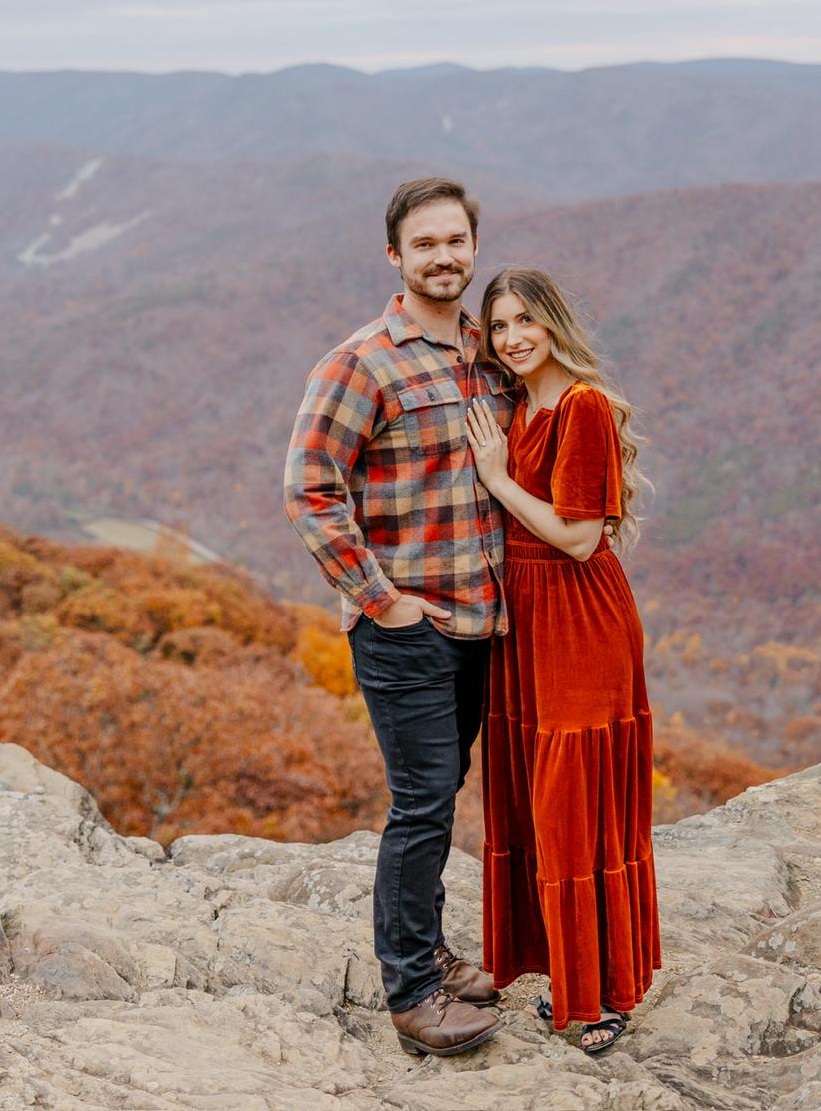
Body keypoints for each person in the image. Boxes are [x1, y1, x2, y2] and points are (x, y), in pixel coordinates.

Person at [282, 177, 511, 1057]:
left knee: (442, 796)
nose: (443, 257)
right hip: (405, 629)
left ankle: (433, 950)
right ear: (395, 256)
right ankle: (413, 992)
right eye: (425, 245)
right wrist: (383, 600)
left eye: (455, 241)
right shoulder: (362, 362)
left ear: (473, 248)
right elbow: (309, 488)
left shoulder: (489, 352)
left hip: (482, 625)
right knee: (421, 804)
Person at [464, 265, 661, 1058]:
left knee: (574, 798)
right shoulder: (517, 406)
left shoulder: (583, 406)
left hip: (580, 616)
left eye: (526, 320)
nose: (513, 337)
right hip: (527, 619)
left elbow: (580, 537)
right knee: (534, 799)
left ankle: (605, 992)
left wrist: (497, 479)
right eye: (499, 325)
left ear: (553, 322)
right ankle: (561, 969)